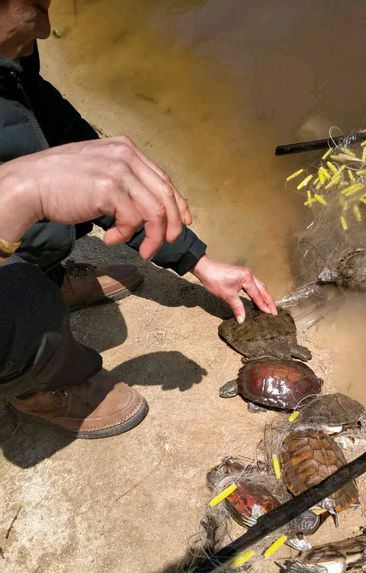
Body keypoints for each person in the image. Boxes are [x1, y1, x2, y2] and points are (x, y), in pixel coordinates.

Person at [0, 0, 277, 438]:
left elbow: (85, 158)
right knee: (25, 307)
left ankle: (46, 275)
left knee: (69, 167)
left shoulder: (10, 69)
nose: (48, 30)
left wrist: (197, 260)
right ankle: (37, 385)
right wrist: (18, 192)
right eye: (36, 6)